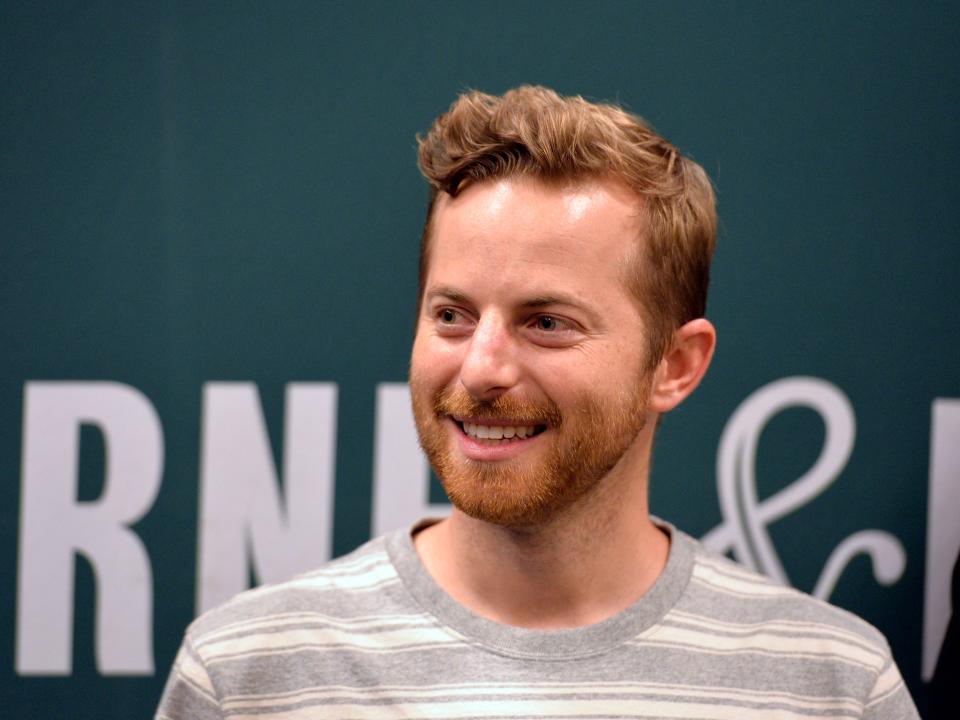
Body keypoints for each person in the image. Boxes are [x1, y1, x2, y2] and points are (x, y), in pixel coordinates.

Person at [156, 86, 919, 719]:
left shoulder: (832, 687)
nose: (482, 368)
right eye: (452, 315)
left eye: (547, 323)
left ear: (676, 366)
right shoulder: (247, 678)